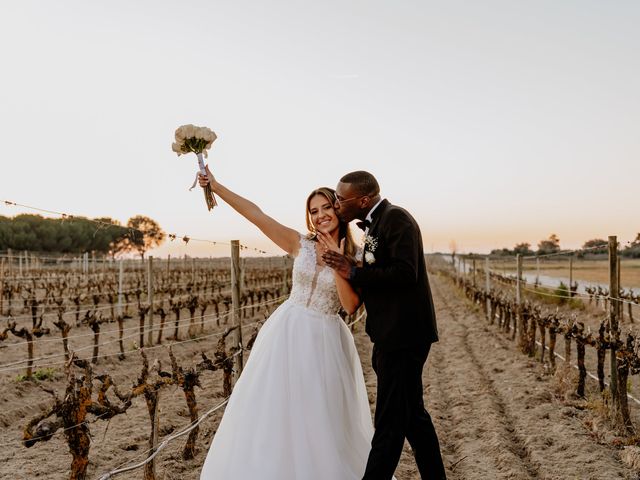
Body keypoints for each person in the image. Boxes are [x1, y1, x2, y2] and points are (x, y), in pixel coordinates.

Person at [197, 166, 377, 479]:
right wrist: (216, 185)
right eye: (313, 211)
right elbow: (256, 214)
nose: (320, 215)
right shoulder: (300, 244)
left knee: (320, 416)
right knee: (275, 410)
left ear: (339, 208)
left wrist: (337, 260)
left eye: (326, 207)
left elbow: (349, 307)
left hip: (325, 340)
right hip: (287, 332)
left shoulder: (357, 255)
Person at [322, 170, 446, 480]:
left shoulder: (396, 219)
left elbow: (406, 273)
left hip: (403, 337)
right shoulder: (376, 224)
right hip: (390, 335)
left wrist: (353, 272)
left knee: (389, 423)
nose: (336, 205)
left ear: (363, 200)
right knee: (412, 416)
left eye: (340, 199)